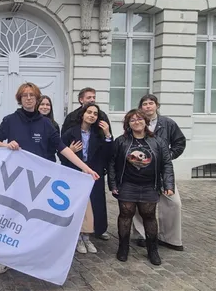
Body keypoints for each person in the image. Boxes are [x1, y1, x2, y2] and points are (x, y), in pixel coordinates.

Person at [0, 82, 100, 274]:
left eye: (32, 95)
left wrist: (86, 168)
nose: (28, 98)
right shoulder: (10, 120)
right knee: (11, 219)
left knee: (34, 221)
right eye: (24, 95)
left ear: (37, 98)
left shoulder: (46, 124)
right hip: (15, 179)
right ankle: (6, 257)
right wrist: (5, 146)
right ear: (19, 99)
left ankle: (30, 255)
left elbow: (63, 149)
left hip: (39, 182)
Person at [107, 108, 174, 266]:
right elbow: (112, 163)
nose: (136, 122)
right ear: (128, 124)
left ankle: (153, 250)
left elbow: (166, 164)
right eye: (132, 120)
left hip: (149, 185)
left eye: (139, 119)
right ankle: (123, 248)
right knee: (125, 215)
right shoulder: (121, 141)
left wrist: (168, 184)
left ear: (146, 121)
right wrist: (113, 184)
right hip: (127, 184)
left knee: (149, 216)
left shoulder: (157, 141)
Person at [133, 94, 187, 251]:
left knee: (173, 203)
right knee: (139, 202)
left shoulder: (167, 123)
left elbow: (179, 142)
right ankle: (141, 235)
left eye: (151, 103)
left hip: (162, 171)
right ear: (141, 107)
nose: (148, 106)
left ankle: (169, 237)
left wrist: (168, 156)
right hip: (140, 169)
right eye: (145, 104)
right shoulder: (136, 121)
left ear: (157, 105)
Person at [61, 87, 114, 241]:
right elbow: (61, 146)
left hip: (94, 168)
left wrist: (108, 134)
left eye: (94, 97)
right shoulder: (71, 121)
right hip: (74, 169)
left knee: (96, 200)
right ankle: (74, 232)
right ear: (81, 100)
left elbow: (108, 148)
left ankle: (96, 229)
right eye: (89, 97)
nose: (92, 99)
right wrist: (69, 151)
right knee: (75, 201)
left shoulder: (100, 123)